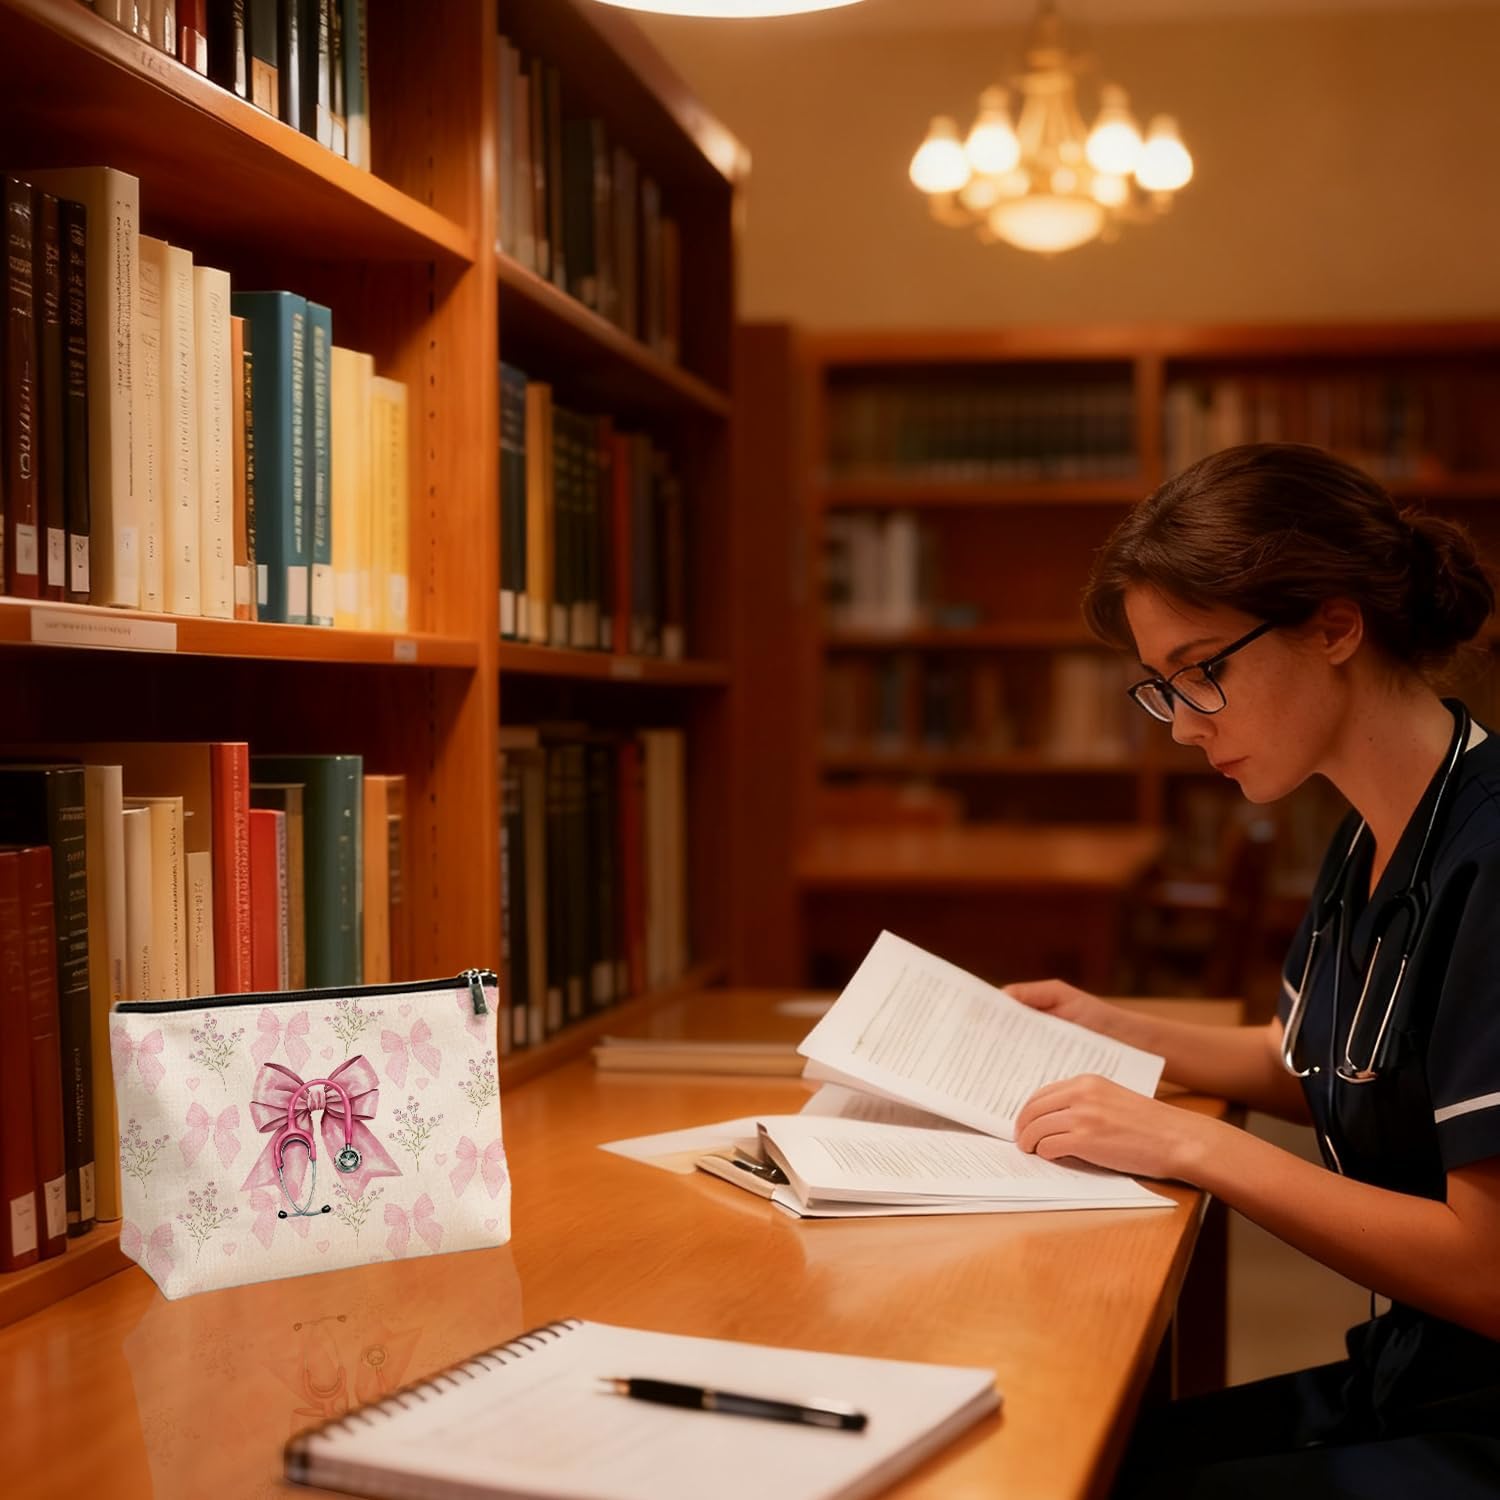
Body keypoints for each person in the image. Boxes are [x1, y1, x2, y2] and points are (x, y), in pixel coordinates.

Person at [1008, 443, 1500, 1498]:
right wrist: (1112, 1026)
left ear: (1334, 624)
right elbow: (1335, 1063)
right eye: (1162, 688)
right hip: (1416, 1373)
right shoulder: (1367, 831)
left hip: (1480, 1414)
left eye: (1203, 672)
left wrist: (1196, 1145)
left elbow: (1489, 1268)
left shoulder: (1490, 854)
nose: (1183, 725)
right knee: (1076, 1452)